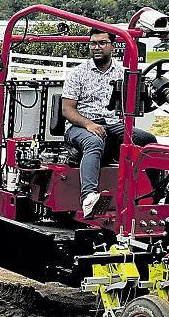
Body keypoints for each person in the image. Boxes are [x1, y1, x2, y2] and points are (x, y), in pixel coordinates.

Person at [61, 28, 158, 217]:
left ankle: (156, 193)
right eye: (93, 43)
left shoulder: (124, 73)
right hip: (80, 126)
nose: (96, 47)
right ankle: (88, 197)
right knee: (94, 141)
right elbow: (68, 110)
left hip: (112, 124)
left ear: (113, 46)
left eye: (102, 43)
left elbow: (148, 96)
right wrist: (89, 124)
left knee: (148, 140)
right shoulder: (78, 73)